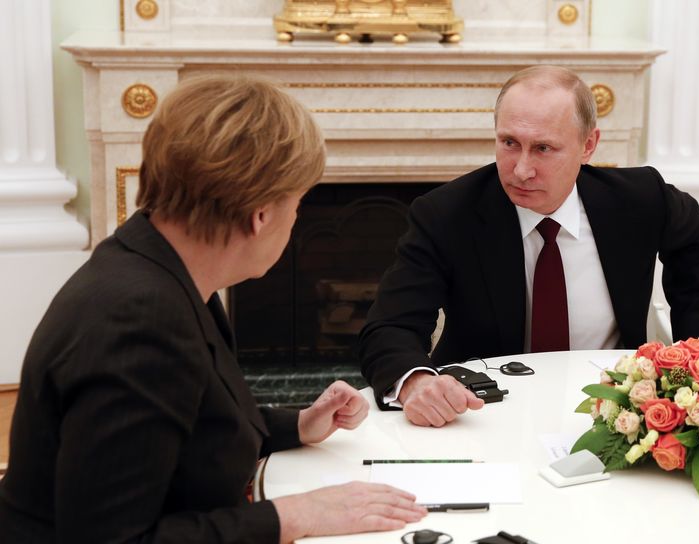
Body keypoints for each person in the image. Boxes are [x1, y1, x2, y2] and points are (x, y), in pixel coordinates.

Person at [0, 74, 426, 543]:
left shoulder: (160, 264)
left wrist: (299, 424)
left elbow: (195, 427)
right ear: (260, 215)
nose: (298, 216)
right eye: (298, 202)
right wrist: (294, 516)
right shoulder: (140, 321)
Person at [359, 65, 699, 428]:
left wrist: (690, 355)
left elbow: (692, 235)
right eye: (510, 143)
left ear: (588, 145)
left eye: (543, 148)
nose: (521, 170)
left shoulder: (640, 199)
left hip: (611, 412)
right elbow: (389, 326)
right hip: (484, 414)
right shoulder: (446, 214)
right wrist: (417, 383)